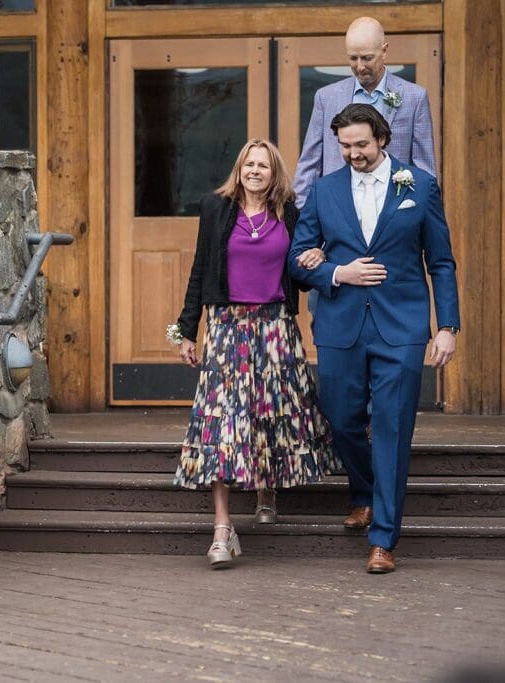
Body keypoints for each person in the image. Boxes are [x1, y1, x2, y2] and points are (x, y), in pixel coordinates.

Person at [287, 104, 460, 574]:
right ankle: (363, 491)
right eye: (345, 146)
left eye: (361, 144)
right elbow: (297, 258)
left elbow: (441, 261)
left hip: (401, 327)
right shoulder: (324, 191)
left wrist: (447, 326)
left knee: (392, 425)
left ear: (382, 138)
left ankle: (383, 538)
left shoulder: (418, 186)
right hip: (341, 323)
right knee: (341, 419)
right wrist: (336, 271)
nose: (353, 153)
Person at [173, 138, 340, 569]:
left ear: (274, 172)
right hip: (228, 329)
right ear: (239, 168)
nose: (255, 171)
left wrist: (316, 257)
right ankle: (222, 531)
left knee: (269, 415)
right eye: (249, 164)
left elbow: (300, 277)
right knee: (222, 427)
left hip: (276, 329)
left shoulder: (290, 214)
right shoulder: (215, 209)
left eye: (263, 165)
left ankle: (267, 490)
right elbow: (199, 269)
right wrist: (187, 330)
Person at [293, 16, 436, 209]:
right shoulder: (326, 98)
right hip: (338, 209)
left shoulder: (414, 97)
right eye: (353, 58)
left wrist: (420, 216)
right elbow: (310, 163)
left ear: (384, 51)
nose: (359, 66)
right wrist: (302, 215)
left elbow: (424, 168)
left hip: (393, 211)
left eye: (367, 58)